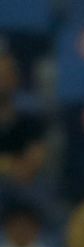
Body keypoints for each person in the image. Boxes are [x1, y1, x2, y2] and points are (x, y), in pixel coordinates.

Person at [0, 49, 50, 205]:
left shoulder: (31, 122)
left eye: (5, 75)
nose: (2, 81)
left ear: (15, 80)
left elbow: (31, 167)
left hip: (24, 194)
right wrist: (11, 165)